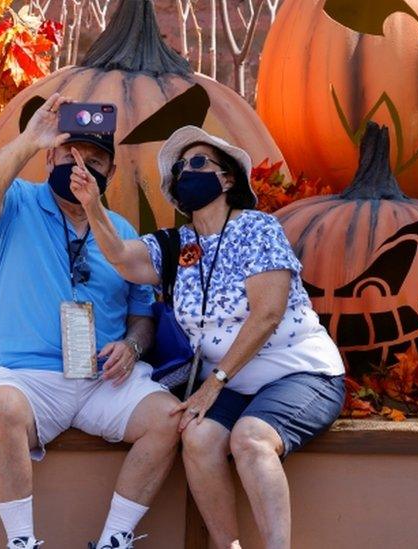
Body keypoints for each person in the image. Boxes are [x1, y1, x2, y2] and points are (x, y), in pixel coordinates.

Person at [70, 125, 346, 548]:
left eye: (198, 162)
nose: (186, 171)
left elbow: (268, 313)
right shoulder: (177, 244)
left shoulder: (257, 228)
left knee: (251, 440)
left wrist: (212, 385)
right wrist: (92, 205)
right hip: (233, 382)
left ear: (228, 177)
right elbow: (123, 259)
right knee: (197, 438)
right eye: (179, 168)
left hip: (298, 373)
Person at [0, 93, 182, 549]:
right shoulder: (18, 204)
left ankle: (114, 540)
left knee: (167, 417)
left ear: (110, 173)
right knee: (1, 408)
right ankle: (22, 542)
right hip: (27, 378)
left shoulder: (121, 232)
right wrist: (29, 139)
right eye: (69, 155)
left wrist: (133, 347)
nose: (81, 167)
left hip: (101, 381)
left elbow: (141, 314)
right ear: (50, 158)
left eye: (95, 160)